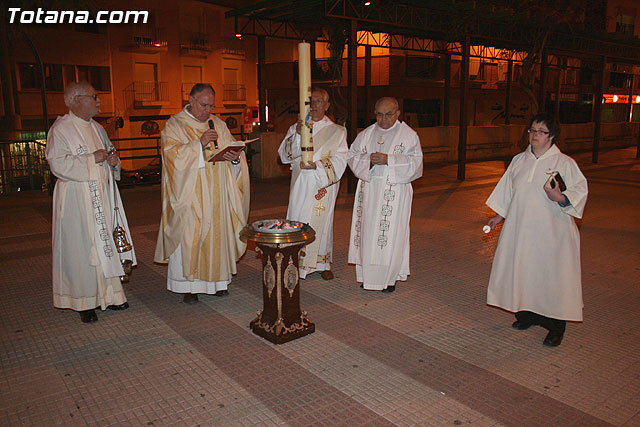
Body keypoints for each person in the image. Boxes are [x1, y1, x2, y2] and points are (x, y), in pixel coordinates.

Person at [485, 113, 588, 347]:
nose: (534, 135)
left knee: (550, 277)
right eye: (532, 130)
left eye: (541, 131)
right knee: (523, 271)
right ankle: (527, 315)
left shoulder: (565, 163)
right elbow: (509, 193)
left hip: (552, 234)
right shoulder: (519, 161)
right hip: (520, 230)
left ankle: (555, 327)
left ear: (551, 135)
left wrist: (560, 197)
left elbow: (579, 193)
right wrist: (498, 216)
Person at [46, 81, 136, 324]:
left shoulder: (98, 128)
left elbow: (108, 153)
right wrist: (90, 159)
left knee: (104, 243)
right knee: (81, 248)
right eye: (93, 97)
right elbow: (58, 164)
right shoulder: (60, 129)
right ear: (76, 99)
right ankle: (84, 302)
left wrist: (114, 162)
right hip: (77, 199)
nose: (98, 101)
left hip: (101, 197)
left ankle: (112, 295)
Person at [154, 83, 250, 304]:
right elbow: (171, 157)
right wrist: (199, 144)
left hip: (217, 192)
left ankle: (218, 283)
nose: (208, 110)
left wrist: (234, 158)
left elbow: (232, 149)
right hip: (191, 194)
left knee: (218, 235)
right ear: (191, 100)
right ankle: (189, 286)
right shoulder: (175, 125)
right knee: (192, 236)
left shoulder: (218, 124)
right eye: (204, 105)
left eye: (211, 105)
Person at [347, 97, 423, 293]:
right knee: (367, 233)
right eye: (379, 115)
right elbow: (352, 155)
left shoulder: (408, 136)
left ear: (397, 114)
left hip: (394, 194)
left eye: (388, 114)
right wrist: (369, 161)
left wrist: (389, 160)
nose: (383, 119)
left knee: (390, 236)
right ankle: (367, 278)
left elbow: (416, 164)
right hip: (370, 192)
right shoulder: (367, 134)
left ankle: (389, 279)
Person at [278, 88, 348, 280]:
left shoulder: (337, 131)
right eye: (310, 102)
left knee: (321, 222)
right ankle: (295, 262)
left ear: (326, 105)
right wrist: (299, 135)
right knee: (298, 218)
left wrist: (316, 166)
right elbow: (284, 156)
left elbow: (341, 160)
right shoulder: (296, 127)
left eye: (318, 101)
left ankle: (322, 263)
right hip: (301, 184)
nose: (314, 106)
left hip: (322, 184)